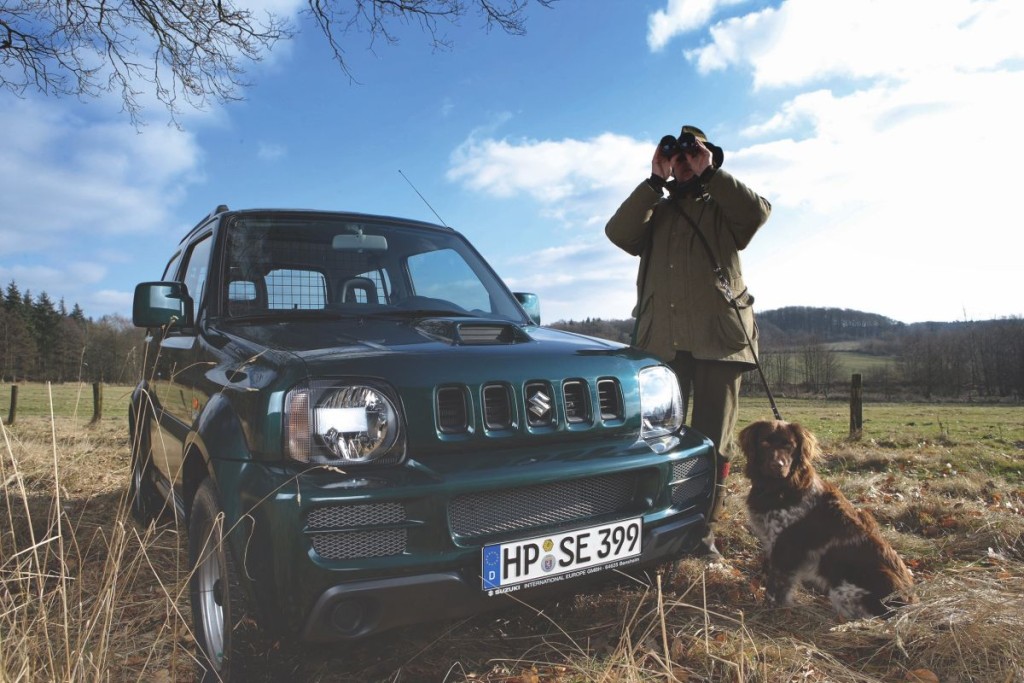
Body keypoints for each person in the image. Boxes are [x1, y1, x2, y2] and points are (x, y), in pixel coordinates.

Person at [605, 124, 771, 557]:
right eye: (675, 156)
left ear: (707, 157)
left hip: (719, 340)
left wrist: (710, 172)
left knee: (712, 441)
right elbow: (619, 233)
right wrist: (654, 181)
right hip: (663, 344)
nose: (682, 161)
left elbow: (756, 214)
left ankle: (702, 533)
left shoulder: (724, 208)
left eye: (690, 155)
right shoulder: (655, 213)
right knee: (657, 439)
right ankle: (654, 521)